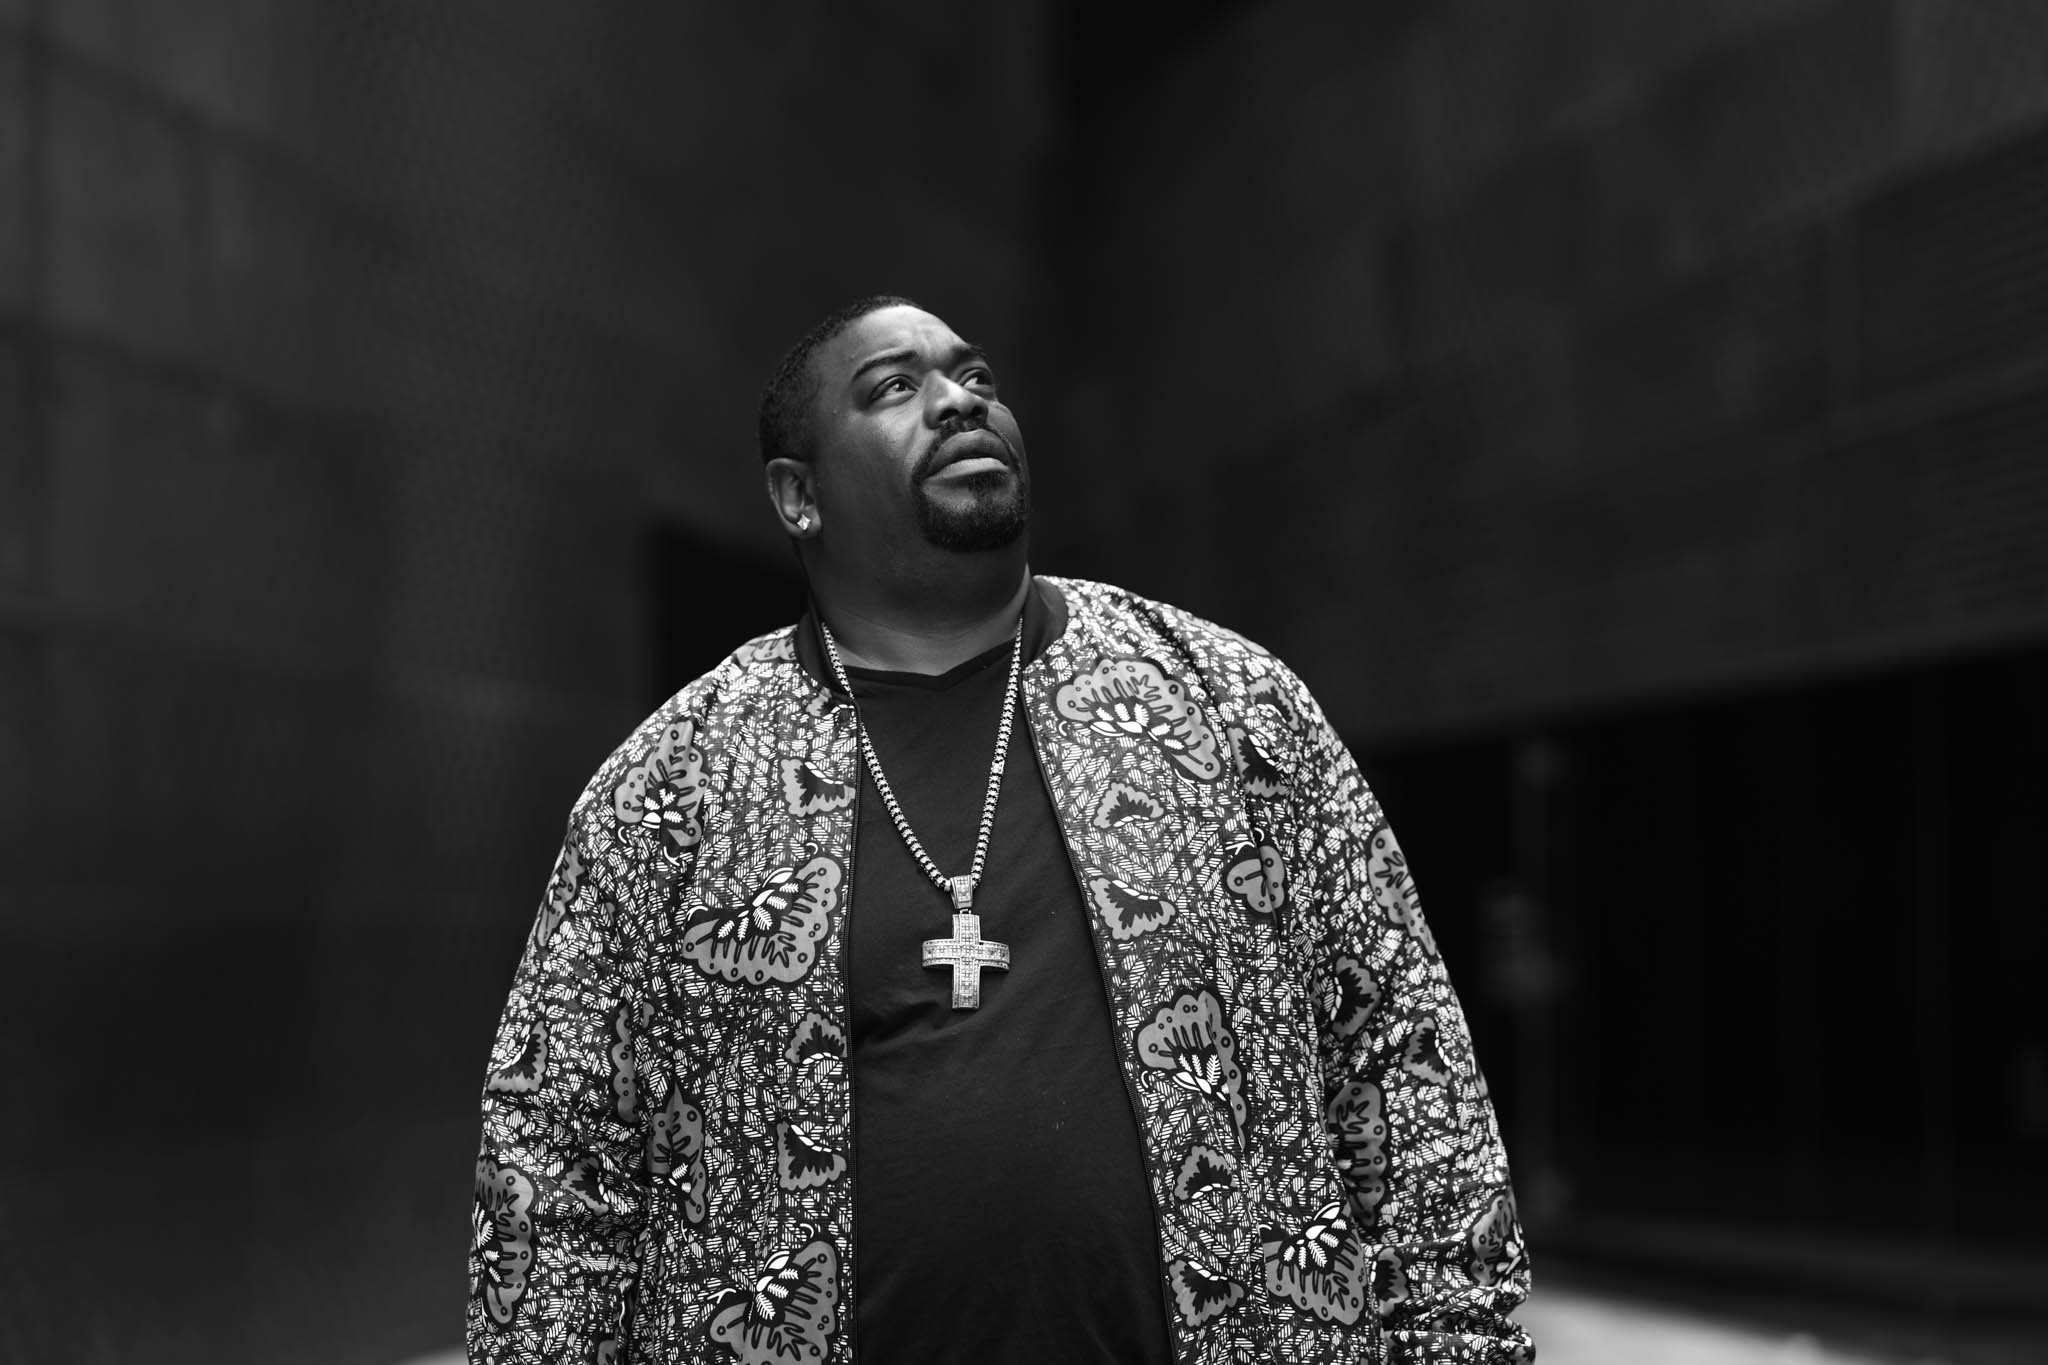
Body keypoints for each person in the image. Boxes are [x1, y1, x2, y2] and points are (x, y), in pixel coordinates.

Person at [468, 297, 1533, 1364]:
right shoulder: (673, 783)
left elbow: (1399, 1050)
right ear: (798, 496)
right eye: (895, 387)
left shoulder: (1229, 703)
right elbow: (555, 1155)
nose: (958, 402)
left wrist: (1460, 1342)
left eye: (975, 377)